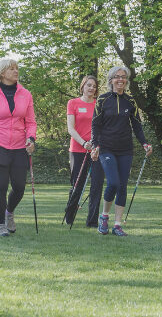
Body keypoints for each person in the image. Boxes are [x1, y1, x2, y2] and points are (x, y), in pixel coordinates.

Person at [90, 66, 152, 236]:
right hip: (106, 148)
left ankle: (117, 225)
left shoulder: (130, 102)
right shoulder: (102, 100)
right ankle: (104, 217)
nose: (120, 80)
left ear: (127, 80)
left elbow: (137, 125)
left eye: (123, 77)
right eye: (117, 77)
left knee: (122, 185)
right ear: (111, 80)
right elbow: (95, 124)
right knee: (113, 183)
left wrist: (144, 143)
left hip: (125, 149)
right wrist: (95, 145)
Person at [0, 59, 37, 237]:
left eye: (17, 68)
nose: (16, 71)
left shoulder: (25, 94)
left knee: (19, 187)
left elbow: (31, 122)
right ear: (3, 73)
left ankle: (9, 212)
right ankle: (1, 225)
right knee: (1, 186)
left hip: (20, 146)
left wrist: (31, 138)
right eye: (12, 69)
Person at [65, 75, 105, 227]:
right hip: (78, 149)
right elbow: (70, 128)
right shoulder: (73, 103)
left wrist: (96, 145)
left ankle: (92, 221)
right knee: (77, 184)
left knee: (96, 185)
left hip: (96, 150)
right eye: (88, 85)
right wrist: (83, 143)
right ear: (82, 86)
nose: (91, 88)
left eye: (94, 86)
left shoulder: (99, 105)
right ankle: (70, 215)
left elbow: (102, 128)